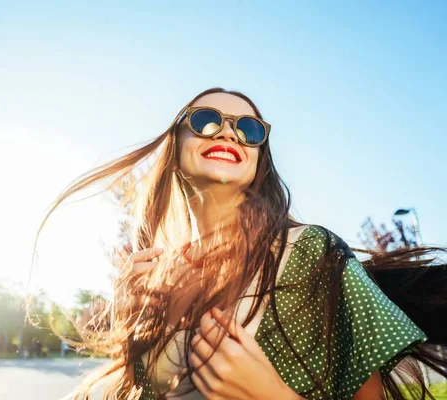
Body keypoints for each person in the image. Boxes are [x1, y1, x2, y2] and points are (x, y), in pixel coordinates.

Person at [35, 88, 447, 399]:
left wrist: (274, 395)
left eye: (249, 129)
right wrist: (138, 325)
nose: (230, 132)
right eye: (206, 120)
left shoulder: (310, 251)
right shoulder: (155, 273)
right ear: (175, 147)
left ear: (258, 160)